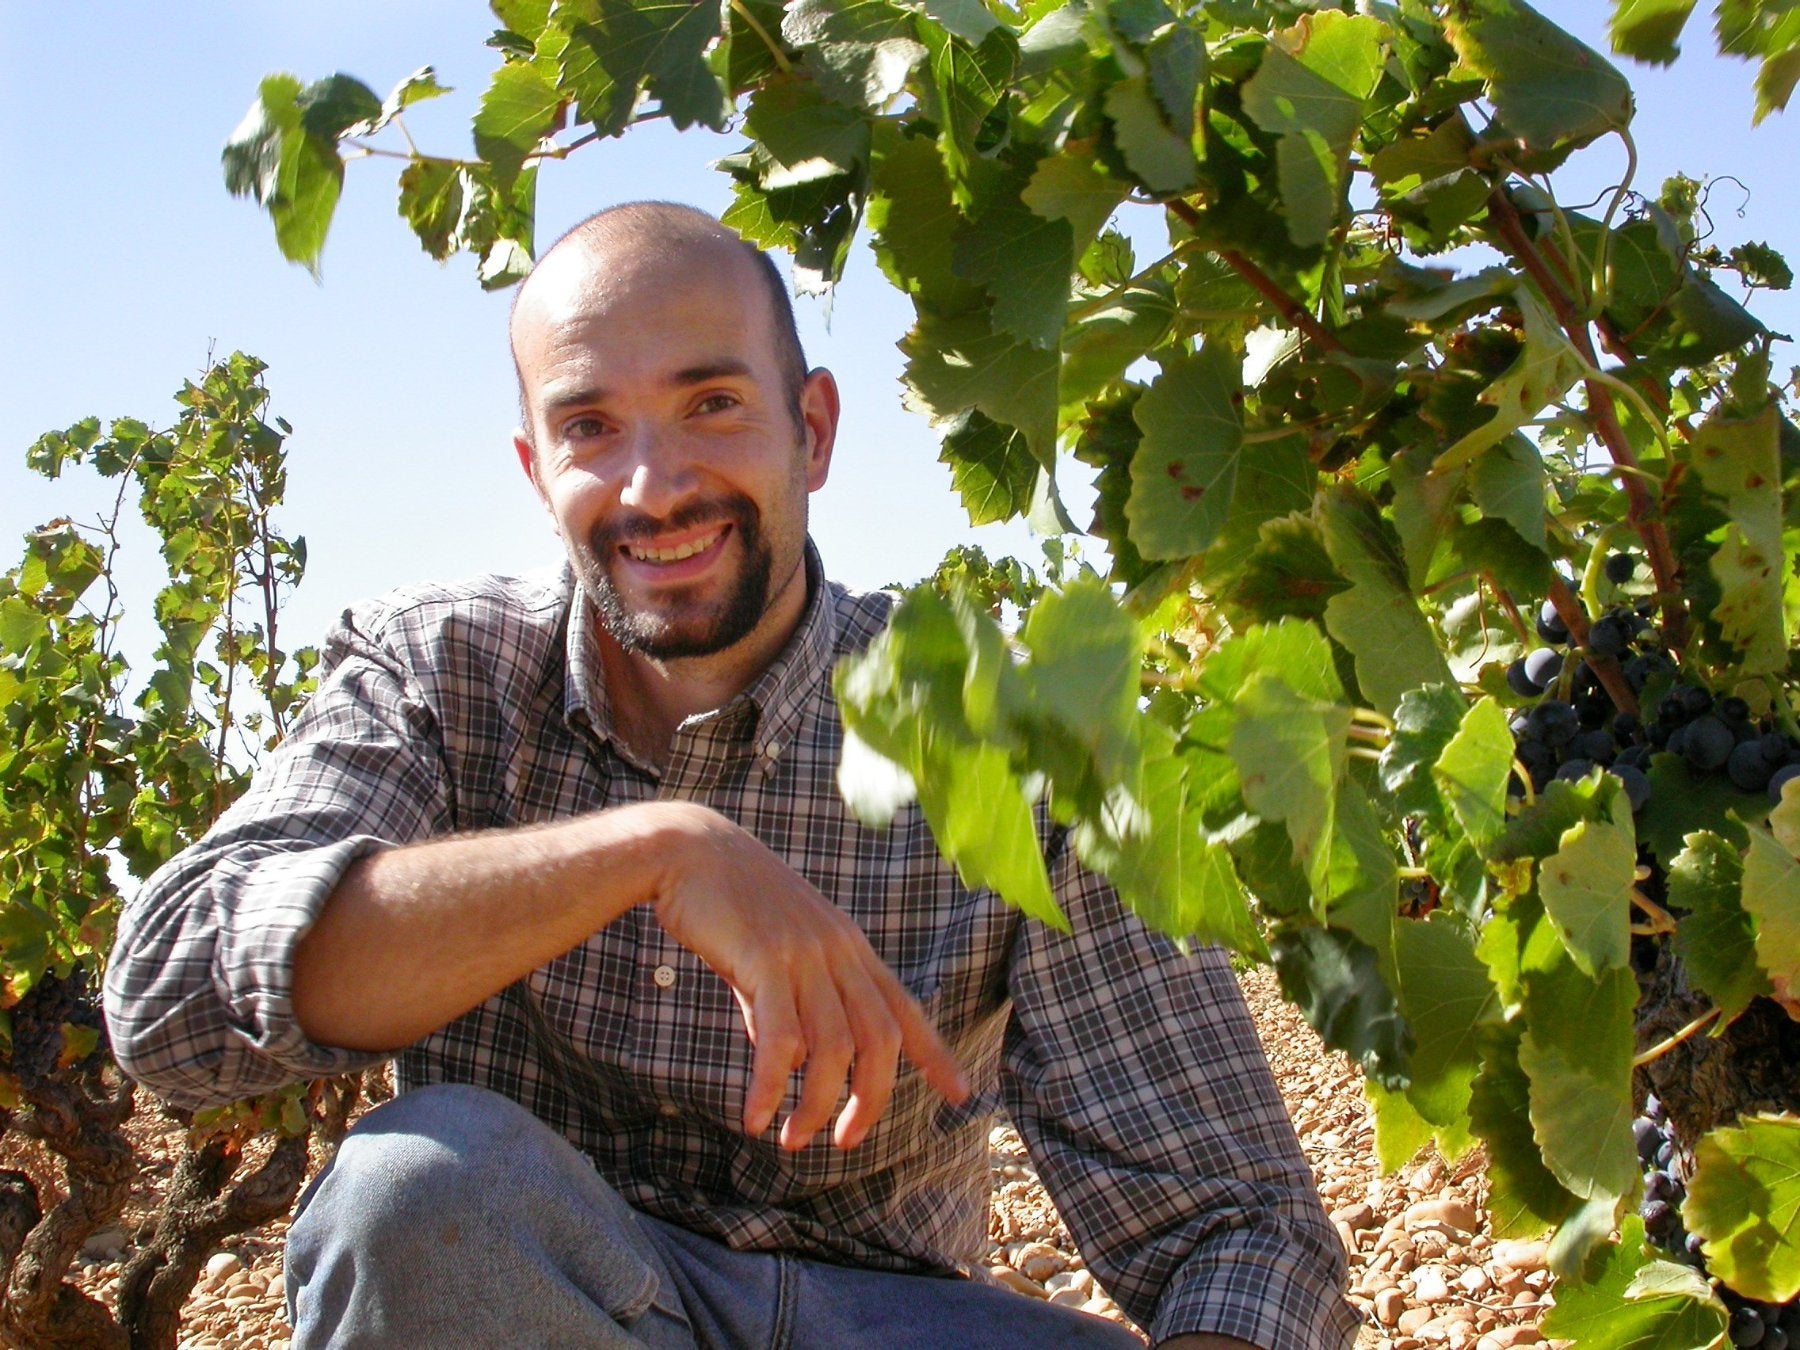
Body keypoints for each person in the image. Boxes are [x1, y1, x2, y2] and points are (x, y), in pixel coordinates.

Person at [104, 203, 1358, 1350]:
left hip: (891, 1322)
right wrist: (653, 850)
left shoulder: (1008, 733)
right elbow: (170, 1005)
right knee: (412, 1199)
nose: (655, 486)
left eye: (712, 404)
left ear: (810, 431)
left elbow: (1238, 1229)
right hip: (547, 1311)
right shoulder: (445, 673)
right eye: (591, 425)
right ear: (539, 472)